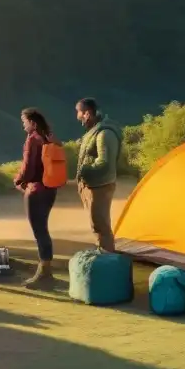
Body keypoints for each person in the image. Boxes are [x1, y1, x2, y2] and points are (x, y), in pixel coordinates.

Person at [12, 107, 59, 289]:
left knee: (39, 231)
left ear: (32, 122)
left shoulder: (33, 139)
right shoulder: (50, 136)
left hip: (36, 190)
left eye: (24, 122)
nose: (23, 125)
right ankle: (46, 270)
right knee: (44, 229)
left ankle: (44, 274)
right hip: (50, 189)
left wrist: (17, 180)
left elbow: (28, 168)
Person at [74, 97, 122, 253]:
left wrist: (84, 170)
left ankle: (108, 260)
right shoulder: (94, 132)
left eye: (79, 112)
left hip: (100, 187)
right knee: (97, 225)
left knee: (101, 226)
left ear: (87, 113)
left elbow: (105, 162)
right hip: (92, 185)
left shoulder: (105, 134)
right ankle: (104, 256)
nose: (77, 117)